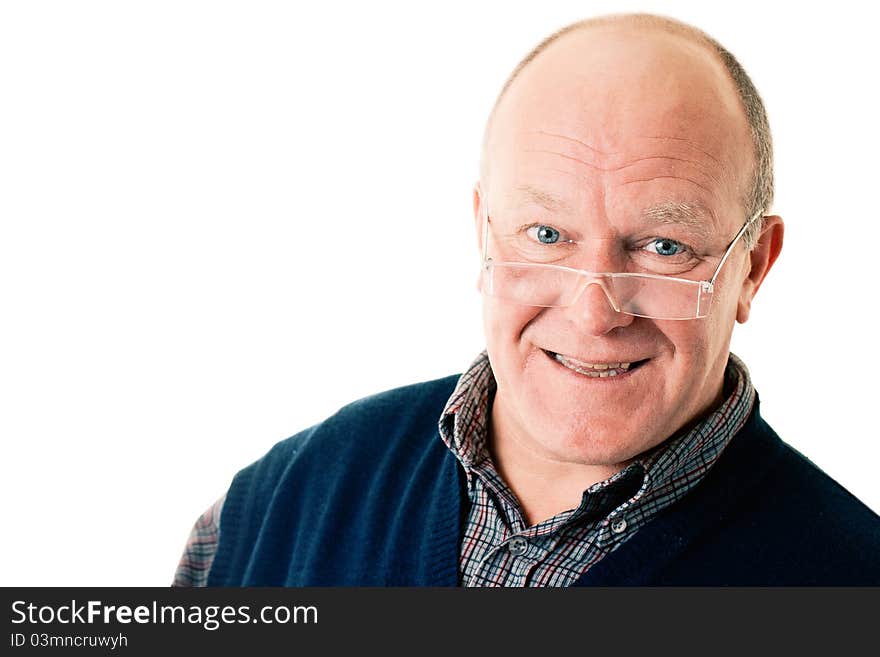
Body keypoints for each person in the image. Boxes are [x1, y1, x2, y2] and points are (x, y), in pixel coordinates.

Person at [173, 13, 880, 586]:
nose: (594, 311)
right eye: (547, 233)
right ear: (484, 231)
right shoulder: (289, 500)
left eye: (663, 246)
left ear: (753, 266)